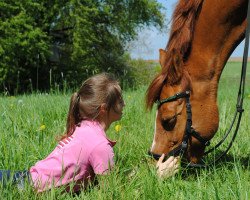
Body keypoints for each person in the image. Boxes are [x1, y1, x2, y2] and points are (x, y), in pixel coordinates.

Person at [0, 73, 179, 193]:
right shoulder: (100, 145)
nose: (124, 104)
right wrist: (158, 177)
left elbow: (106, 175)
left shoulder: (83, 127)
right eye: (120, 100)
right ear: (103, 109)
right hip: (25, 189)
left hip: (23, 178)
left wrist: (136, 173)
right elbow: (113, 193)